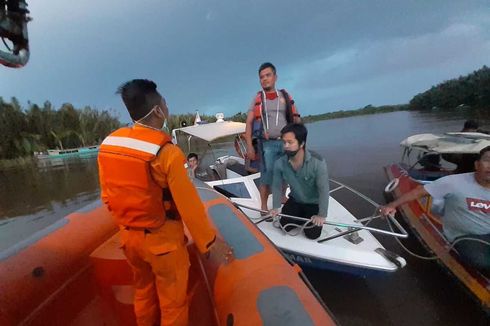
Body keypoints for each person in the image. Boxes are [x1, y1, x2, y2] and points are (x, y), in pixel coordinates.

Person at [98, 79, 231, 326]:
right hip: (163, 244)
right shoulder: (167, 153)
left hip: (129, 239)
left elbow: (107, 195)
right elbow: (188, 204)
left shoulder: (109, 145)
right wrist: (210, 242)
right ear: (158, 110)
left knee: (144, 294)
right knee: (173, 305)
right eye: (165, 103)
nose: (167, 108)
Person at [380, 146, 490, 274]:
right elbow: (419, 192)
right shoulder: (454, 182)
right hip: (465, 236)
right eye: (488, 160)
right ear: (477, 165)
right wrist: (392, 205)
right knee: (481, 261)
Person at [245, 62, 301, 211]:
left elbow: (296, 119)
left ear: (275, 77)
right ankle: (264, 206)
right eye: (261, 77)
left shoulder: (285, 96)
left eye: (268, 75)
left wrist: (301, 141)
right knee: (266, 176)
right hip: (267, 144)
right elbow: (249, 123)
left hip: (286, 143)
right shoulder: (258, 98)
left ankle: (282, 196)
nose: (265, 79)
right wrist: (250, 146)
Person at [269, 123, 329, 240]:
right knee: (284, 227)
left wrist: (322, 215)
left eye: (290, 142)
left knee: (312, 235)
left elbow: (324, 190)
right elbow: (276, 185)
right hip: (295, 200)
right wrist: (275, 207)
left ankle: (303, 218)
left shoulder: (318, 161)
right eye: (284, 142)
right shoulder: (279, 163)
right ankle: (298, 216)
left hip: (313, 203)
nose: (285, 146)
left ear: (301, 143)